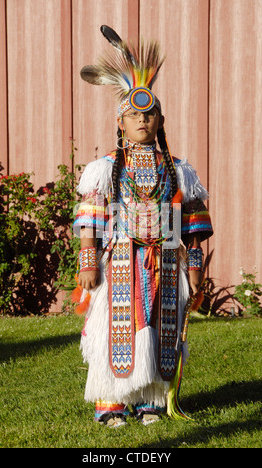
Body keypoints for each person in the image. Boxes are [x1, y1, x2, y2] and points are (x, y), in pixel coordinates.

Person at [73, 26, 213, 427]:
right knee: (114, 327)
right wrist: (87, 261)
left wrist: (196, 265)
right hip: (120, 258)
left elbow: (194, 224)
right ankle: (111, 402)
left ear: (160, 119)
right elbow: (91, 219)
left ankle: (151, 399)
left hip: (166, 260)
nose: (141, 120)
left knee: (158, 328)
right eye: (133, 114)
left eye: (148, 113)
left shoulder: (179, 171)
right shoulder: (105, 170)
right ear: (121, 122)